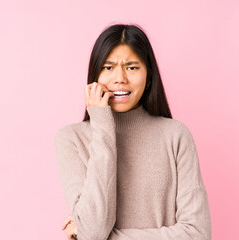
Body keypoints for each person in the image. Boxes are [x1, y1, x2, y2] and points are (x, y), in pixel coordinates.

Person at [54, 23, 212, 240]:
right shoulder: (71, 140)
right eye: (108, 67)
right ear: (95, 75)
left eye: (131, 67)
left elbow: (197, 234)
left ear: (148, 76)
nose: (119, 78)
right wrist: (102, 124)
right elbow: (95, 228)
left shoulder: (175, 136)